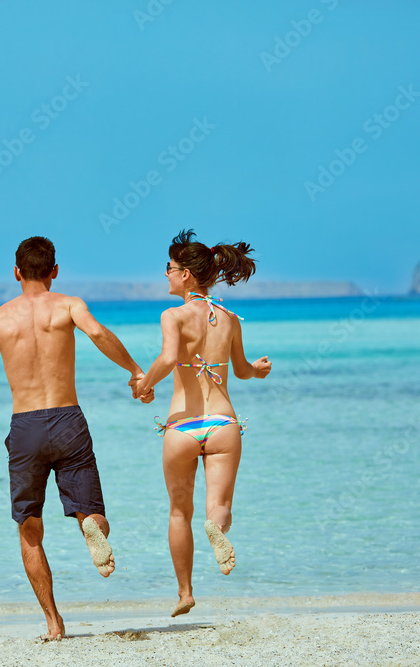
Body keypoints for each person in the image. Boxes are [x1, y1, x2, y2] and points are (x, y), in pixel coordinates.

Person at [0, 236, 153, 640]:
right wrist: (135, 370)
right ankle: (89, 525)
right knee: (90, 509)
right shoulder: (69, 305)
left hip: (24, 427)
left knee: (29, 527)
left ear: (16, 272)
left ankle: (54, 623)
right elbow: (97, 334)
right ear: (55, 271)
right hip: (67, 418)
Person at [132, 229, 272, 618]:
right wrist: (259, 371)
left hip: (182, 426)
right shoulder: (229, 318)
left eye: (170, 268)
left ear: (187, 275)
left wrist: (143, 385)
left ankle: (185, 593)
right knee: (219, 505)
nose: (166, 275)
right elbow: (241, 371)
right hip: (223, 422)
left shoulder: (173, 316)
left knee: (179, 512)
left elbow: (167, 358)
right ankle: (217, 529)